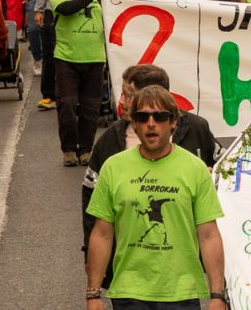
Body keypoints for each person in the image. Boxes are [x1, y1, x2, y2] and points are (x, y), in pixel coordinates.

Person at [85, 84, 228, 310]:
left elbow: (209, 236)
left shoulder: (195, 169)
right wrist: (93, 294)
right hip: (129, 291)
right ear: (134, 123)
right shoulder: (113, 167)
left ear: (173, 123)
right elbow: (102, 234)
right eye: (143, 117)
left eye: (160, 116)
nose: (151, 123)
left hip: (182, 292)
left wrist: (218, 295)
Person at [51, 0, 108, 167]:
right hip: (67, 57)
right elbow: (64, 9)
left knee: (90, 107)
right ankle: (68, 149)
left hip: (94, 57)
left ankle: (85, 149)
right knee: (66, 105)